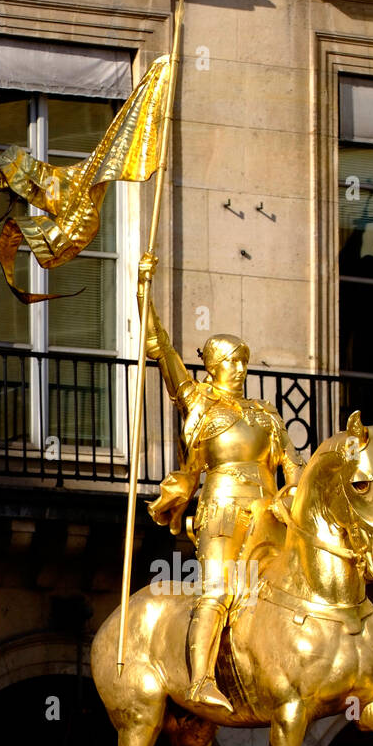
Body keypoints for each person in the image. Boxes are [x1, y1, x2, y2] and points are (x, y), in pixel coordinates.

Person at [138, 252, 304, 712]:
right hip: (223, 510)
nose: (242, 368)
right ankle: (201, 679)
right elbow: (161, 349)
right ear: (214, 365)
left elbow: (291, 464)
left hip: (270, 511)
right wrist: (143, 290)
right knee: (217, 590)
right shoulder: (199, 403)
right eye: (233, 361)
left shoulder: (265, 413)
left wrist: (294, 490)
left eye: (244, 360)